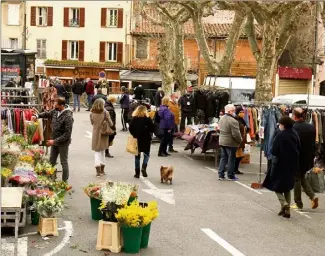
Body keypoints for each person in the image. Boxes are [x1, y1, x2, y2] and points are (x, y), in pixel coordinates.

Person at [263, 116, 300, 218]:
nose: (279, 126)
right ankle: (286, 210)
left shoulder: (280, 135)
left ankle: (284, 203)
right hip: (292, 164)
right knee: (287, 186)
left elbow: (274, 150)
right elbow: (299, 148)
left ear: (283, 125)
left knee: (275, 184)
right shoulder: (294, 134)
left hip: (280, 163)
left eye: (280, 124)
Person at [32, 97, 74, 182]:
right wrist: (37, 115)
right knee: (51, 161)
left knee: (63, 162)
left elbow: (67, 135)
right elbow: (47, 114)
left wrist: (54, 141)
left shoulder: (68, 117)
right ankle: (51, 179)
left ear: (61, 105)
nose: (54, 105)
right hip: (54, 141)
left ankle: (64, 182)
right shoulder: (55, 111)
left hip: (63, 143)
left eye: (56, 104)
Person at [292, 108, 318, 209]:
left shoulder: (293, 127)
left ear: (294, 116)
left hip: (297, 157)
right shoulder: (311, 127)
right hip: (308, 157)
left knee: (296, 179)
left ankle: (298, 203)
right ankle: (313, 196)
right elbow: (313, 143)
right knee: (301, 177)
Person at [129, 105, 155, 178]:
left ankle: (137, 173)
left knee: (137, 156)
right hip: (146, 138)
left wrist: (134, 134)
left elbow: (130, 128)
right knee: (146, 154)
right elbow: (152, 128)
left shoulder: (134, 119)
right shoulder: (147, 118)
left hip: (137, 139)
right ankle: (144, 167)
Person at [218, 104, 242, 181]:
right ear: (229, 111)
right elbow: (236, 134)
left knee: (223, 158)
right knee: (231, 159)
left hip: (222, 141)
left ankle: (221, 174)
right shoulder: (233, 121)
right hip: (230, 143)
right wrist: (240, 140)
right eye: (233, 110)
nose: (234, 112)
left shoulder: (221, 119)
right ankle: (231, 175)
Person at [90, 98, 113, 177]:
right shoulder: (105, 112)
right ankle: (102, 170)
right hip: (104, 133)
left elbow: (92, 123)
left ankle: (98, 172)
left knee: (97, 152)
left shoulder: (92, 113)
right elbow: (111, 123)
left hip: (96, 133)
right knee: (103, 151)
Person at [234, 107, 248, 175]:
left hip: (242, 140)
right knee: (238, 156)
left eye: (243, 112)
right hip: (238, 141)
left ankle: (235, 169)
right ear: (237, 113)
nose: (242, 113)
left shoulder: (242, 120)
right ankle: (234, 169)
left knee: (240, 156)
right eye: (240, 112)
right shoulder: (236, 120)